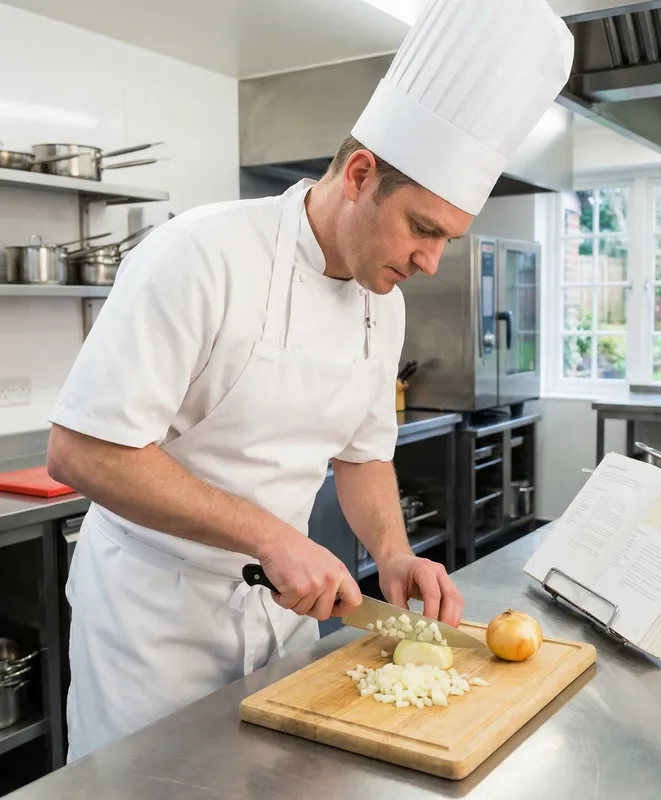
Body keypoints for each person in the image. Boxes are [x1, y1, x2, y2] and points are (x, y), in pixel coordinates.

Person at [46, 0, 573, 763]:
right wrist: (269, 534)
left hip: (289, 614)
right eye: (424, 229)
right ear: (360, 175)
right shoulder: (200, 255)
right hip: (153, 625)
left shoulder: (379, 303)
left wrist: (391, 553)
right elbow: (83, 453)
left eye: (446, 239)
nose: (430, 261)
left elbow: (362, 454)